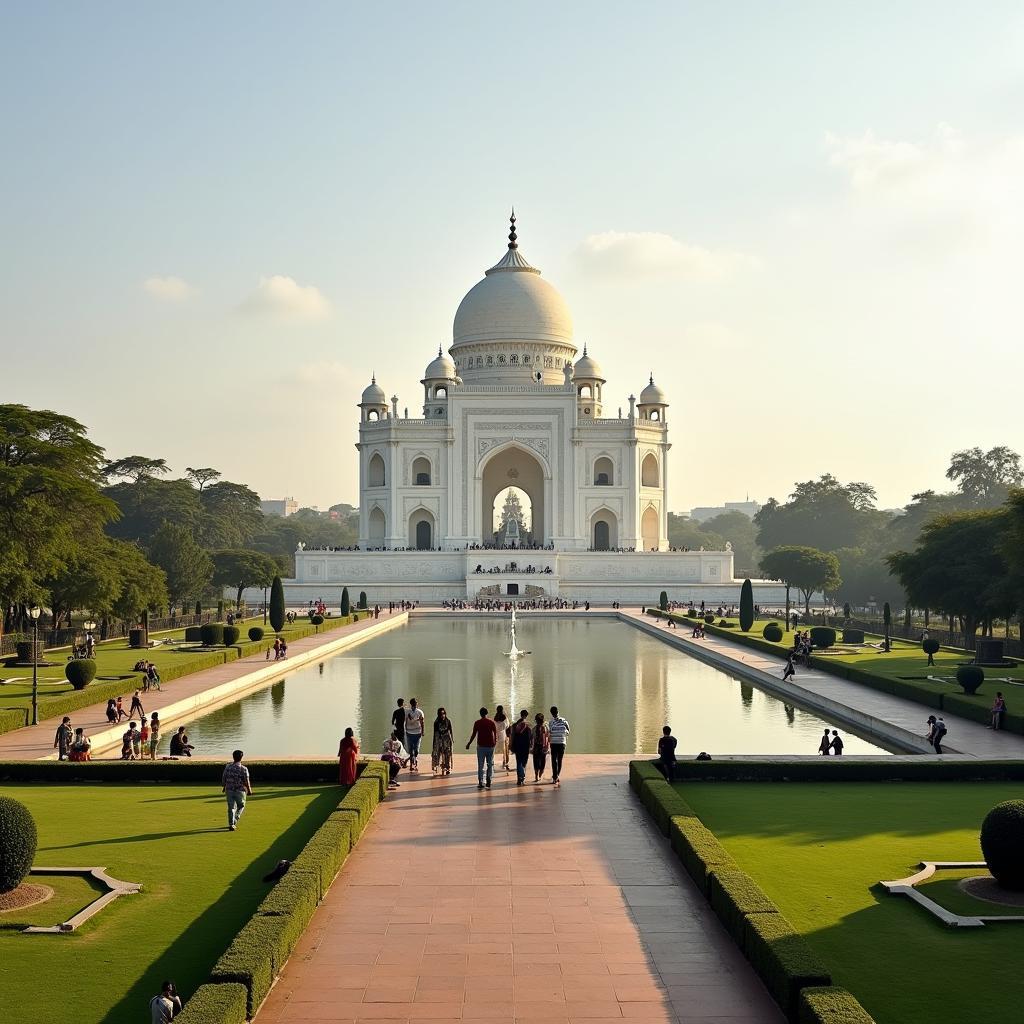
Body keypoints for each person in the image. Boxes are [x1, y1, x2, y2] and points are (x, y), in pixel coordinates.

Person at [466, 707, 498, 789]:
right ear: (487, 713)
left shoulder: (477, 723)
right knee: (490, 764)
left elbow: (474, 734)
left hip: (481, 747)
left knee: (481, 765)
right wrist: (495, 743)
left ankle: (480, 782)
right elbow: (495, 733)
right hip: (491, 746)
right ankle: (488, 781)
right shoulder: (491, 722)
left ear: (480, 714)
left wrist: (469, 743)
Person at [222, 749, 253, 831]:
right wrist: (249, 790)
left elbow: (224, 777)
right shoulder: (244, 769)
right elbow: (246, 780)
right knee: (241, 805)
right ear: (241, 757)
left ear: (233, 757)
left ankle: (231, 824)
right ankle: (235, 819)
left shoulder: (228, 767)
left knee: (231, 807)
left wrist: (224, 786)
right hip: (240, 790)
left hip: (229, 790)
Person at [548, 706, 570, 787]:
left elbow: (549, 732)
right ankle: (557, 775)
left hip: (553, 743)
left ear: (551, 713)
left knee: (554, 760)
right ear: (558, 712)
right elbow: (568, 732)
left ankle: (555, 777)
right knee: (560, 760)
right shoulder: (564, 721)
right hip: (562, 743)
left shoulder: (550, 722)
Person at [510, 709, 533, 785]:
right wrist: (531, 745)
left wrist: (511, 745)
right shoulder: (528, 725)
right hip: (525, 746)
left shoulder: (515, 724)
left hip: (517, 745)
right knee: (524, 762)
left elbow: (512, 736)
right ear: (526, 715)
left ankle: (519, 779)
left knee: (518, 762)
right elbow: (531, 737)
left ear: (520, 715)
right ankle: (522, 778)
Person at [404, 697, 425, 772]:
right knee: (410, 749)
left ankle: (414, 758)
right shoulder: (407, 712)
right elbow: (406, 721)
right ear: (411, 704)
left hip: (418, 732)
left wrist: (423, 731)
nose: (415, 705)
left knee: (416, 749)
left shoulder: (420, 712)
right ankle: (412, 763)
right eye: (413, 704)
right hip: (409, 732)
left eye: (415, 704)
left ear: (417, 704)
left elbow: (422, 722)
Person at [431, 707, 453, 776]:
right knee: (437, 754)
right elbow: (435, 733)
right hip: (439, 740)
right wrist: (435, 743)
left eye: (443, 713)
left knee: (447, 754)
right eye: (441, 714)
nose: (442, 715)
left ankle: (447, 768)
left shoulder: (448, 721)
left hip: (446, 740)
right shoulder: (436, 722)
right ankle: (437, 766)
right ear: (438, 715)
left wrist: (452, 739)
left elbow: (450, 731)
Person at [531, 712, 550, 782]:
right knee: (543, 761)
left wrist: (531, 748)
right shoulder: (546, 728)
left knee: (535, 761)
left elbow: (532, 739)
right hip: (543, 746)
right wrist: (548, 747)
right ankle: (540, 774)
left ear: (536, 720)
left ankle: (536, 776)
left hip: (536, 746)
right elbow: (549, 738)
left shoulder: (534, 729)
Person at [494, 705, 510, 771]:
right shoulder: (505, 718)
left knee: (496, 750)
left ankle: (494, 764)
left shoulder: (495, 718)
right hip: (503, 735)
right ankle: (505, 763)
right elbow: (508, 726)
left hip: (497, 736)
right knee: (505, 751)